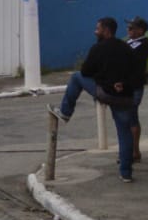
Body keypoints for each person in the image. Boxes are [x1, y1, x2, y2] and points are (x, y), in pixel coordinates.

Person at [48, 16, 140, 182]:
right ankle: (126, 173)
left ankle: (65, 112)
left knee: (76, 77)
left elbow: (85, 72)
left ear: (106, 30)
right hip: (125, 96)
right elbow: (137, 74)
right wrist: (123, 84)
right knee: (125, 133)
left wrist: (101, 77)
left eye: (97, 29)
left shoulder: (98, 49)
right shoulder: (126, 48)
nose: (95, 31)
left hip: (106, 92)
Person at [124, 16, 148, 162]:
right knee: (128, 118)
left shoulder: (143, 44)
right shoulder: (130, 43)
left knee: (131, 117)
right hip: (127, 86)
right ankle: (131, 151)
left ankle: (134, 151)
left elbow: (132, 61)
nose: (128, 30)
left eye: (131, 28)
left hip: (134, 86)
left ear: (140, 30)